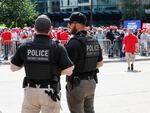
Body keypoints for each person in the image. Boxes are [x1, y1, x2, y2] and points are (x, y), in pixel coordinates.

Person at [10, 14, 74, 113]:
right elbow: (69, 70)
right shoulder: (58, 47)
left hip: (30, 91)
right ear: (50, 29)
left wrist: (27, 62)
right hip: (50, 92)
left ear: (34, 29)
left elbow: (13, 68)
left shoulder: (25, 46)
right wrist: (55, 72)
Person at [64, 12, 103, 113]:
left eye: (70, 23)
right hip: (91, 82)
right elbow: (100, 64)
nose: (68, 26)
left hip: (78, 84)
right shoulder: (94, 41)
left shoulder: (74, 43)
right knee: (89, 110)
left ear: (77, 24)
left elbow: (67, 68)